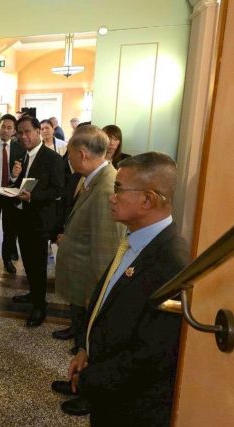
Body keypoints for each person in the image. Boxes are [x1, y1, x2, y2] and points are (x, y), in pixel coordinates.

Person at [54, 152, 189, 426]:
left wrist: (90, 378)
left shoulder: (171, 263)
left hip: (131, 409)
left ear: (147, 199)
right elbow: (107, 305)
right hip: (109, 392)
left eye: (119, 189)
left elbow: (150, 355)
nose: (112, 197)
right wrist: (85, 349)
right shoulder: (135, 240)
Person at [53, 126, 125, 357]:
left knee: (89, 345)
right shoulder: (94, 180)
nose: (69, 159)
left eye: (70, 154)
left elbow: (106, 252)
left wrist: (93, 298)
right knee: (82, 338)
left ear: (82, 154)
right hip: (80, 280)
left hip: (88, 288)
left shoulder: (105, 189)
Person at [10, 115, 65, 327]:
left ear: (38, 131)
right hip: (22, 217)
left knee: (38, 264)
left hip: (40, 220)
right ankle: (33, 293)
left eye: (27, 132)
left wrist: (33, 197)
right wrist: (13, 179)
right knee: (28, 261)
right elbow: (21, 184)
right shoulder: (22, 156)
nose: (23, 136)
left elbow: (58, 190)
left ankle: (40, 306)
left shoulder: (52, 158)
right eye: (20, 133)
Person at [0, 113, 23, 274]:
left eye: (9, 127)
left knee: (10, 230)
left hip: (11, 195)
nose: (5, 130)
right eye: (3, 126)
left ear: (14, 131)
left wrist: (14, 176)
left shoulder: (20, 149)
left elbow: (20, 176)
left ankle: (7, 260)